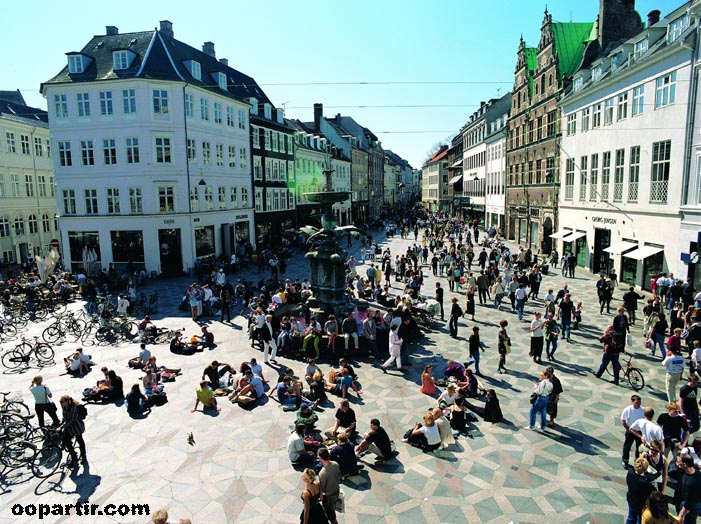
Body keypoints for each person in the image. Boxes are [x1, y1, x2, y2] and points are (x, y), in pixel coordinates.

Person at [57, 395, 87, 468]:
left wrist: (62, 426)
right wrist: (62, 422)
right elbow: (64, 417)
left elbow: (73, 419)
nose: (61, 403)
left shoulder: (74, 408)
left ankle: (83, 455)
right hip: (69, 427)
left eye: (62, 401)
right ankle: (74, 457)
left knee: (80, 440)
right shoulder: (64, 407)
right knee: (66, 441)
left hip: (76, 427)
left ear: (67, 401)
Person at [626, 457, 655, 524]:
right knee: (640, 519)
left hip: (631, 498)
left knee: (631, 517)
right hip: (640, 504)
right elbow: (652, 490)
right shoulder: (644, 483)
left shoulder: (630, 472)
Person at [622, 394, 645, 470]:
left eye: (639, 402)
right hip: (630, 431)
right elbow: (623, 420)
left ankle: (637, 461)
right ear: (632, 402)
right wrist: (627, 429)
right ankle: (625, 460)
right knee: (627, 446)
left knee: (639, 448)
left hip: (639, 431)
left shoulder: (643, 410)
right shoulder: (627, 410)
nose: (639, 404)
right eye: (637, 402)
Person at [318, 448, 341, 524]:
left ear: (320, 458)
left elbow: (323, 487)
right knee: (332, 510)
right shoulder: (335, 464)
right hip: (336, 490)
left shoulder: (323, 473)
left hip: (329, 496)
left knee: (331, 517)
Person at [677, 453, 701, 524]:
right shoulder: (696, 473)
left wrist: (682, 513)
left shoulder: (691, 482)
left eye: (679, 462)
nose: (677, 463)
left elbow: (689, 501)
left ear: (685, 465)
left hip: (689, 507)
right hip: (695, 504)